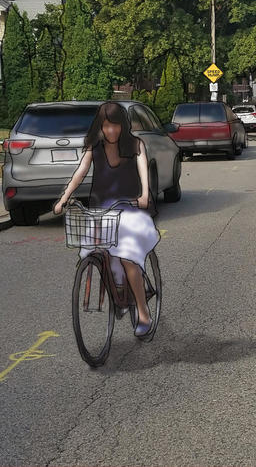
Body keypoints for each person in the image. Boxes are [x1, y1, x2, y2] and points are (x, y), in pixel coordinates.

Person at [54, 101, 159, 337]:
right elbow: (80, 173)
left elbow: (144, 173)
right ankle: (119, 294)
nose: (111, 131)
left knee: (128, 257)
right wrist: (64, 199)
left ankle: (143, 313)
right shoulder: (95, 147)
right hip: (102, 212)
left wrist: (143, 195)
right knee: (95, 251)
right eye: (106, 126)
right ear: (101, 126)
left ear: (123, 125)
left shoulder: (135, 145)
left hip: (130, 209)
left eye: (116, 126)